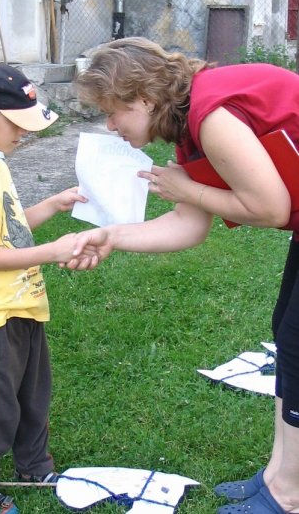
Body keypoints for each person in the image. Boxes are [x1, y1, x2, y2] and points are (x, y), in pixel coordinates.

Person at [67, 37, 299, 514]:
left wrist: (189, 189)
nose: (110, 126)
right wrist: (112, 235)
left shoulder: (211, 115)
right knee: (289, 338)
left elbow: (270, 208)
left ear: (146, 99)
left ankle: (289, 496)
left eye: (114, 112)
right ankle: (278, 476)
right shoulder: (187, 125)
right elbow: (186, 226)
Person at [0, 62, 98, 514]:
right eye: (18, 124)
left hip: (24, 306)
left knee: (33, 396)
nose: (25, 134)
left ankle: (33, 465)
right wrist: (53, 252)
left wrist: (53, 203)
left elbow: (11, 232)